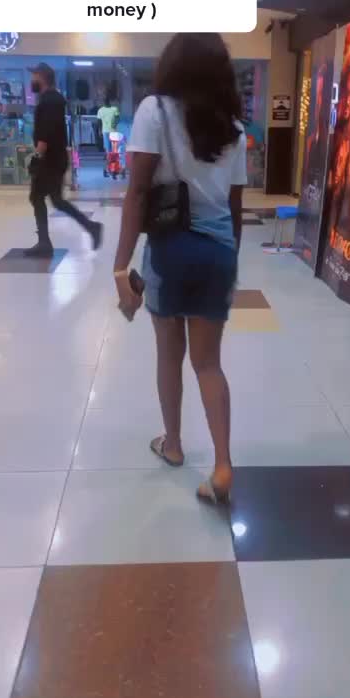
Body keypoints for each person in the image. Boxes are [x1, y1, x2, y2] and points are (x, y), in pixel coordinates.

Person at [113, 33, 247, 505]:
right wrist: (229, 262)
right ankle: (223, 465)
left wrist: (120, 266)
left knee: (169, 354)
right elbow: (235, 206)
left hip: (170, 250)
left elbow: (138, 193)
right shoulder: (234, 128)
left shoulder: (154, 111)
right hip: (218, 253)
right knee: (208, 362)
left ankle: (172, 444)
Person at [25, 63, 103, 258]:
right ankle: (90, 227)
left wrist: (37, 157)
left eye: (34, 76)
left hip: (50, 161)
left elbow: (46, 133)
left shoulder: (50, 100)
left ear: (42, 77)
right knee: (56, 200)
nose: (31, 80)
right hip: (55, 159)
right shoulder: (52, 99)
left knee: (37, 197)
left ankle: (45, 243)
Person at [98, 96, 120, 175]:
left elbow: (117, 118)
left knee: (111, 151)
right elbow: (99, 122)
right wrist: (115, 123)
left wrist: (100, 131)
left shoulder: (112, 109)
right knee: (111, 152)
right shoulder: (112, 109)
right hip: (109, 132)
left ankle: (111, 169)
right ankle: (110, 169)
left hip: (109, 132)